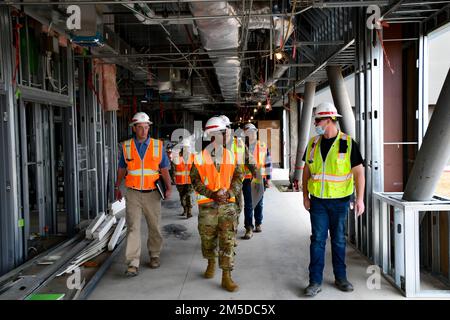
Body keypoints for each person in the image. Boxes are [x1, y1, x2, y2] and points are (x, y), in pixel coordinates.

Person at [302, 102, 365, 297]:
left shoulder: (347, 143)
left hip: (340, 202)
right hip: (318, 201)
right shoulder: (313, 143)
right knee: (317, 240)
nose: (315, 124)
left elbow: (359, 174)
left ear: (329, 120)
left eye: (318, 120)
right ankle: (315, 281)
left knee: (338, 240)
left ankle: (341, 278)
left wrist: (360, 199)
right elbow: (306, 171)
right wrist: (305, 196)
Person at [114, 112, 172, 277]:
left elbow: (164, 169)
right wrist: (117, 186)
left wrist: (168, 187)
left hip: (152, 194)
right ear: (134, 128)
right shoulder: (126, 147)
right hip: (132, 193)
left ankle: (154, 255)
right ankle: (132, 263)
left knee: (154, 226)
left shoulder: (157, 146)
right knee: (133, 228)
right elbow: (122, 168)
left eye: (146, 127)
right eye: (140, 127)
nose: (144, 131)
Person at [190, 116, 243, 292]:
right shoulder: (199, 157)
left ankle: (226, 276)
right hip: (208, 207)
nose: (226, 134)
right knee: (208, 239)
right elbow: (195, 180)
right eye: (223, 132)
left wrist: (229, 193)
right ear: (213, 135)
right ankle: (211, 262)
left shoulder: (231, 155)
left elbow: (238, 177)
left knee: (228, 241)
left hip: (228, 206)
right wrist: (211, 194)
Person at [241, 123, 272, 240]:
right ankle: (249, 228)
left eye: (252, 132)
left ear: (255, 132)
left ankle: (258, 223)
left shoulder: (263, 145)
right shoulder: (242, 147)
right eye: (248, 132)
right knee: (249, 204)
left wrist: (268, 179)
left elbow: (268, 163)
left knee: (259, 202)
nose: (250, 134)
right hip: (247, 179)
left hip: (260, 178)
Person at [172, 139, 195, 219]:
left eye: (187, 147)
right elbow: (173, 169)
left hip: (190, 181)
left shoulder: (193, 156)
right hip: (180, 181)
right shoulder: (177, 157)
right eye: (184, 147)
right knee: (182, 197)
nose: (186, 149)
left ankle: (189, 212)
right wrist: (173, 178)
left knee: (189, 196)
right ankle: (185, 209)